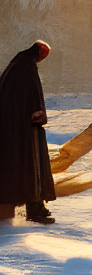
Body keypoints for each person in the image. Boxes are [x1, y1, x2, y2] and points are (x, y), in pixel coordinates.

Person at [0, 41, 56, 224]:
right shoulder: (27, 66)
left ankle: (34, 206)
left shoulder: (16, 65)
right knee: (32, 165)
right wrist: (37, 113)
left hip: (13, 126)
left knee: (22, 165)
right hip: (25, 127)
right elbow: (32, 94)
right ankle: (35, 208)